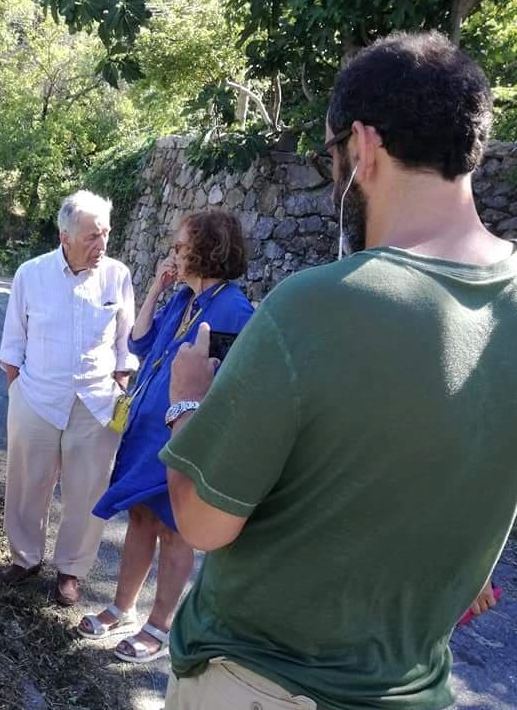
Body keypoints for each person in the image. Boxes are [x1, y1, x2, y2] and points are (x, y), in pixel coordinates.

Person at [159, 31, 517, 710]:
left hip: (260, 684)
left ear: (365, 147)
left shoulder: (320, 304)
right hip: (416, 690)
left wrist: (188, 403)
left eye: (332, 156)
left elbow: (203, 524)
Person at [79, 210, 253, 663]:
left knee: (177, 532)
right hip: (144, 434)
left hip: (185, 439)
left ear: (208, 249)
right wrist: (157, 287)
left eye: (181, 245)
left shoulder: (234, 310)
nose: (174, 252)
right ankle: (123, 607)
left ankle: (159, 627)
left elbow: (228, 389)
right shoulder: (182, 299)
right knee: (139, 518)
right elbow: (138, 343)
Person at [0, 189, 139, 606]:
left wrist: (121, 387)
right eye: (93, 236)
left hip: (96, 403)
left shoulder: (118, 275)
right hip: (37, 397)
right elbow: (12, 345)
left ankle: (71, 571)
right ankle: (25, 559)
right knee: (27, 486)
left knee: (88, 492)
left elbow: (123, 344)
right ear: (65, 236)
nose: (102, 245)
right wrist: (19, 393)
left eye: (106, 234)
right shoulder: (30, 274)